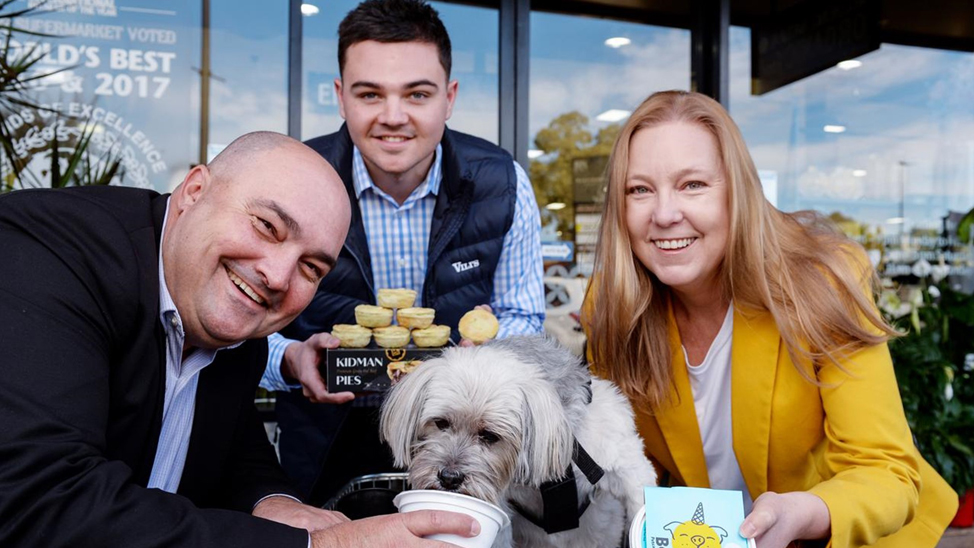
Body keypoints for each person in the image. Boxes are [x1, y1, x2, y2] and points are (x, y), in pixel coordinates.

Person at [0, 131, 481, 547]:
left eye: (311, 268)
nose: (276, 276)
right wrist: (315, 545)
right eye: (266, 226)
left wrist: (275, 504)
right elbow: (43, 503)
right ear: (194, 190)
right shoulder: (44, 254)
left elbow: (233, 448)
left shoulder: (231, 320)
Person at [582, 91, 958, 548]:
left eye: (692, 185)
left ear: (736, 192)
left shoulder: (821, 281)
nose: (664, 214)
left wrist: (806, 512)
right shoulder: (613, 304)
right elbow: (627, 457)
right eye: (639, 190)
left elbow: (886, 471)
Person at [260, 0, 545, 503]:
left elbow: (523, 317)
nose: (393, 117)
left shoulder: (502, 183)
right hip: (323, 441)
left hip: (461, 447)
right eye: (370, 94)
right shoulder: (292, 182)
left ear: (449, 97)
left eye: (417, 93)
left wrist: (493, 353)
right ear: (341, 97)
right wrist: (290, 361)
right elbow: (240, 331)